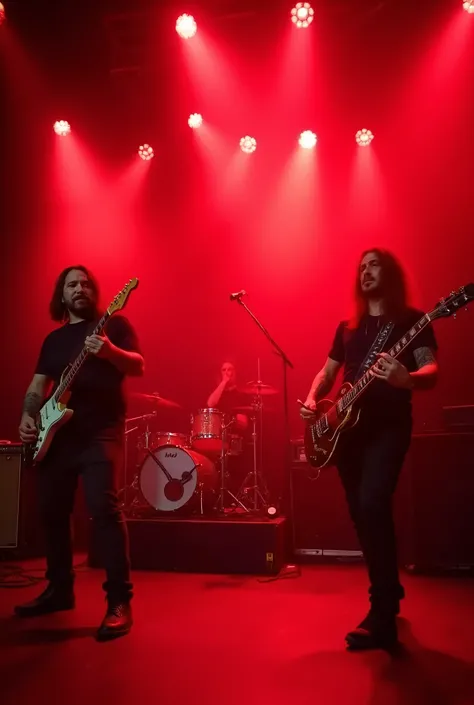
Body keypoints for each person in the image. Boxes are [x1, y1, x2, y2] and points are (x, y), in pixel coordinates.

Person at [301, 249, 438, 650]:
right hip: (346, 432)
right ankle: (388, 593)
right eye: (361, 267)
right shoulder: (348, 327)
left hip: (388, 427)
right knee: (362, 514)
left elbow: (431, 370)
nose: (365, 271)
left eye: (373, 264)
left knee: (374, 501)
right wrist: (313, 400)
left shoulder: (412, 321)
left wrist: (406, 378)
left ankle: (381, 613)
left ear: (389, 272)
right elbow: (328, 373)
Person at [16, 265, 144, 641]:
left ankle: (119, 601)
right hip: (59, 434)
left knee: (104, 509)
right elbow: (38, 384)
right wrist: (28, 415)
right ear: (62, 295)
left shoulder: (114, 326)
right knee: (51, 512)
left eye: (86, 284)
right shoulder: (53, 341)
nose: (80, 288)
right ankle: (59, 589)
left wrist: (109, 351)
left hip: (100, 431)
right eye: (72, 284)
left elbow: (138, 365)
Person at [207, 361, 248, 432]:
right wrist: (224, 382)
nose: (226, 372)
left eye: (229, 369)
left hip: (236, 435)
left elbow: (245, 422)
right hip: (219, 434)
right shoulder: (218, 392)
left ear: (235, 373)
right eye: (224, 370)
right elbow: (210, 404)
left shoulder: (241, 395)